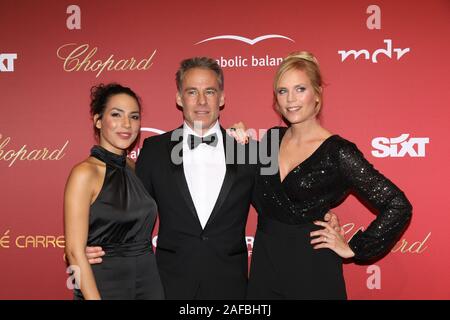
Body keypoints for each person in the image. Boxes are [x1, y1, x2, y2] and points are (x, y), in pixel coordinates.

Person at [85, 57, 341, 299]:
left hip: (230, 285)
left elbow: (278, 205)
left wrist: (318, 215)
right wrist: (94, 245)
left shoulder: (248, 151)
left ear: (221, 98)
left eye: (209, 91)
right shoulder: (155, 150)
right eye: (192, 92)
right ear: (178, 98)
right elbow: (132, 210)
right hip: (169, 283)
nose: (201, 101)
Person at [245, 51, 413, 299]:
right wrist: (235, 143)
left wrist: (354, 248)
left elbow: (398, 205)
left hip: (312, 266)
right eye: (282, 91)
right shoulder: (270, 140)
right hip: (265, 264)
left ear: (317, 94)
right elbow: (240, 185)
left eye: (300, 89)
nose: (290, 99)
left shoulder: (338, 152)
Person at [64, 83, 164, 300]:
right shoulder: (84, 174)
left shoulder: (135, 168)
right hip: (104, 284)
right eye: (116, 114)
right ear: (98, 120)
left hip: (148, 283)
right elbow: (73, 252)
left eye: (134, 116)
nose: (126, 124)